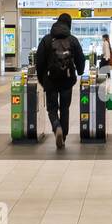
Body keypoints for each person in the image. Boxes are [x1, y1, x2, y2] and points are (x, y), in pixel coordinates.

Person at [35, 12, 86, 149]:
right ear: (69, 24)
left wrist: (42, 79)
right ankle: (63, 136)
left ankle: (56, 126)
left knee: (52, 108)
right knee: (64, 108)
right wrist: (80, 72)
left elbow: (39, 61)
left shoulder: (46, 39)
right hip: (67, 80)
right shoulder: (72, 40)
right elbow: (81, 58)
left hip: (50, 80)